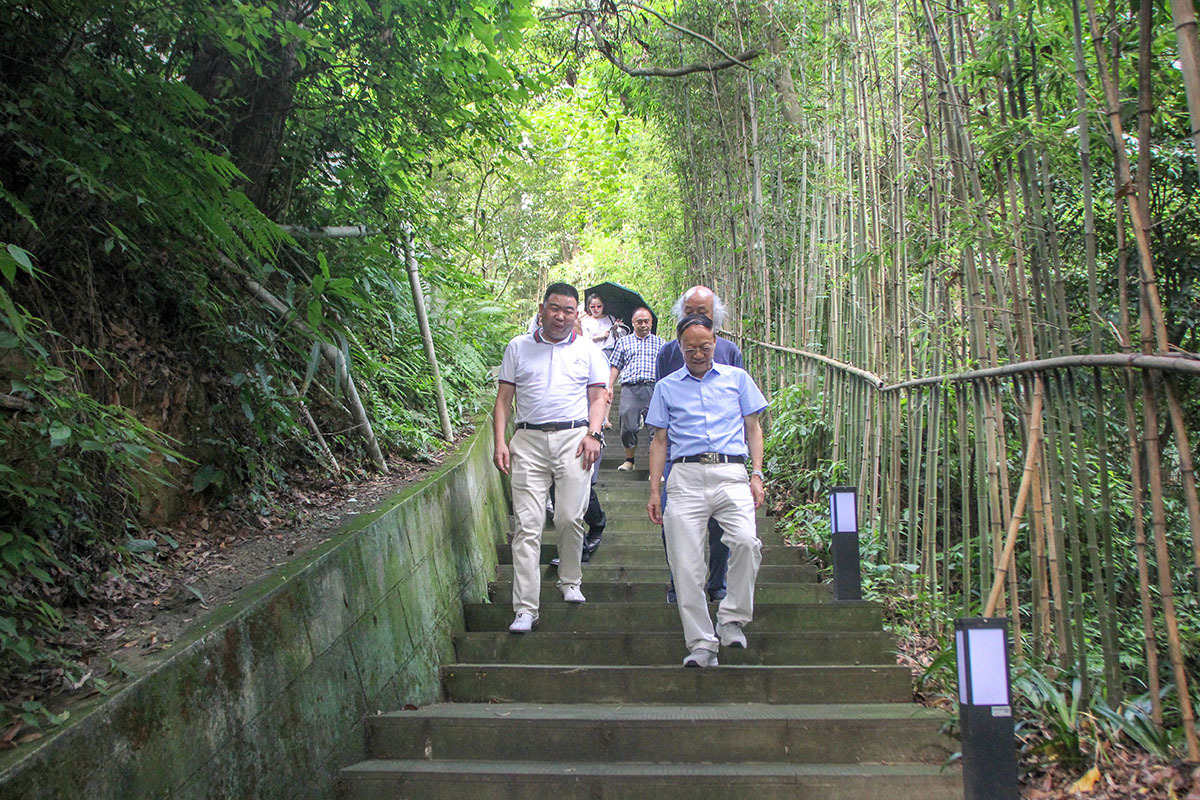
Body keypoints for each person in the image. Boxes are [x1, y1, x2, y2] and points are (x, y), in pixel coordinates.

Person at [646, 314, 766, 667]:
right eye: (690, 349)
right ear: (679, 347)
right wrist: (654, 491)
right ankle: (700, 643)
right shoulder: (666, 387)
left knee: (746, 542)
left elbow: (754, 428)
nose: (698, 354)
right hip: (685, 477)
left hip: (731, 473)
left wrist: (757, 474)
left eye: (705, 347)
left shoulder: (737, 379)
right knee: (685, 564)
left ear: (716, 343)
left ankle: (731, 619)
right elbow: (659, 441)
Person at [494, 283, 609, 633]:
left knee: (570, 517)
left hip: (574, 439)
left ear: (577, 315)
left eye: (568, 310)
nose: (560, 316)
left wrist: (594, 434)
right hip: (528, 440)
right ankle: (525, 608)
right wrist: (500, 442)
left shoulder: (588, 350)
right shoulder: (518, 347)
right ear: (542, 310)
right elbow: (503, 399)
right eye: (554, 308)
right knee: (527, 526)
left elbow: (598, 397)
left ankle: (570, 580)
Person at [655, 285, 744, 603]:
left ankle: (717, 582)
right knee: (672, 523)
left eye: (701, 312)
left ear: (715, 316)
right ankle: (678, 583)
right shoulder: (667, 353)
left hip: (723, 458)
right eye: (688, 311)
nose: (694, 316)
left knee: (722, 526)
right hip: (678, 457)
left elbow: (740, 406)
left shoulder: (730, 352)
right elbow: (661, 409)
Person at [606, 306, 664, 471]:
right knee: (628, 426)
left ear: (651, 323)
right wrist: (609, 385)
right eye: (639, 322)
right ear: (633, 323)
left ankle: (656, 469)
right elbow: (615, 365)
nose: (643, 325)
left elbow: (666, 367)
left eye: (646, 321)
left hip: (653, 388)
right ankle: (629, 460)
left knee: (655, 428)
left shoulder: (660, 343)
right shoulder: (623, 342)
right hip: (630, 389)